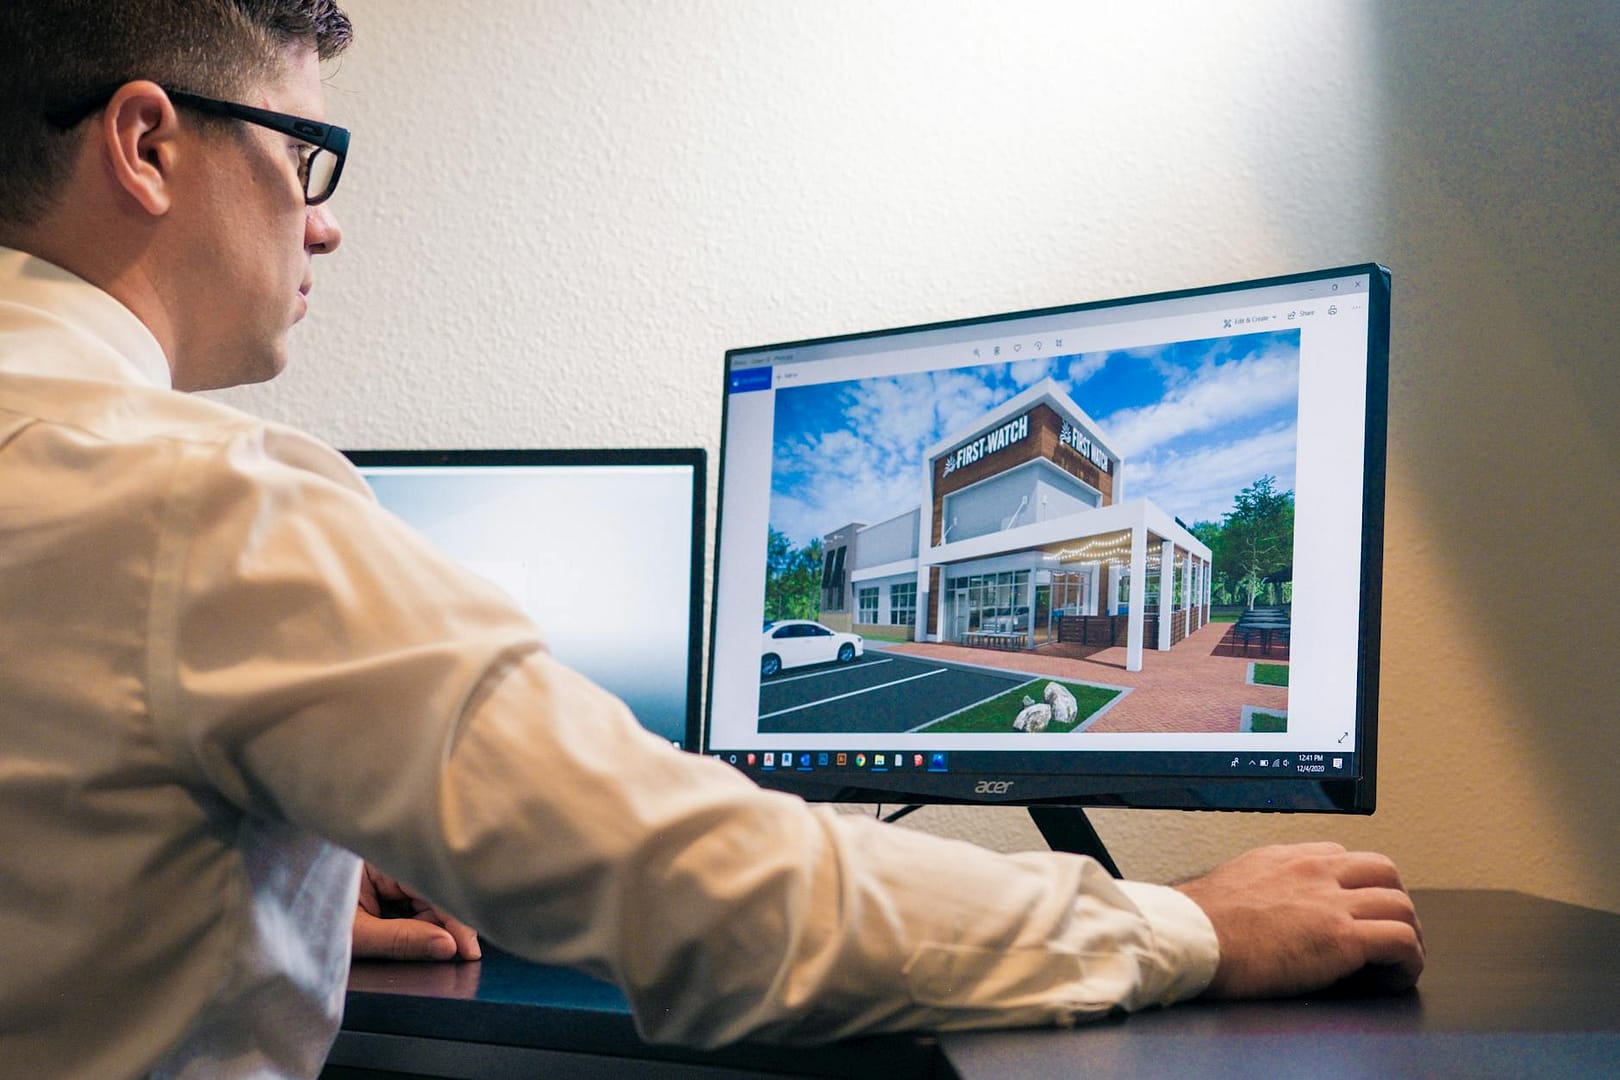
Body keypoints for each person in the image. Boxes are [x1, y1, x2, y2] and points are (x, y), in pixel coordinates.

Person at [0, 2, 1424, 1077]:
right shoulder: (209, 501)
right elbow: (706, 892)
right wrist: (1187, 929)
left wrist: (279, 871)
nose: (324, 232)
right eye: (308, 156)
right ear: (146, 143)